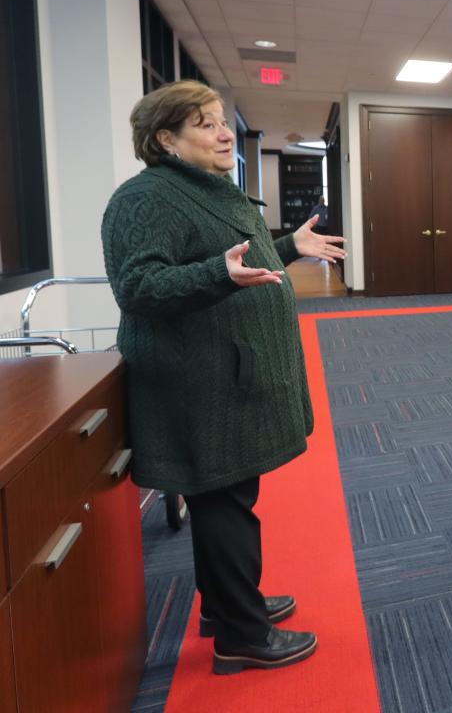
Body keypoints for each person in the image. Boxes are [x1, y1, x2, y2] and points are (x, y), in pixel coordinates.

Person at [101, 80, 347, 675]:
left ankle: (225, 606)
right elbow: (138, 288)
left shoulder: (204, 190)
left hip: (227, 377)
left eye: (220, 121)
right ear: (165, 139)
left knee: (227, 496)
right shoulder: (146, 199)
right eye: (205, 124)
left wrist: (289, 246)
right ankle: (242, 634)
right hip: (201, 385)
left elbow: (237, 261)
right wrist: (216, 272)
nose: (221, 132)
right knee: (225, 503)